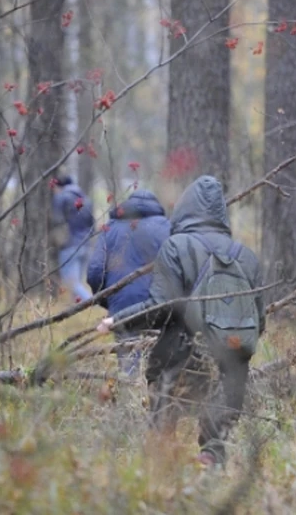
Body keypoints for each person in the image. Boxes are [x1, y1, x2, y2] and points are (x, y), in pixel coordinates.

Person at [97, 175, 264, 468]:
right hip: (232, 365)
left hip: (181, 359)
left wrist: (117, 320)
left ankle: (162, 491)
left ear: (186, 208)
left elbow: (161, 307)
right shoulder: (246, 256)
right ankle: (210, 472)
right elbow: (258, 321)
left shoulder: (176, 247)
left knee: (161, 437)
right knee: (214, 444)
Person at [86, 189, 171, 376]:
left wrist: (109, 301)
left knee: (129, 367)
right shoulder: (167, 227)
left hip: (122, 307)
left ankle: (130, 401)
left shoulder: (111, 228)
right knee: (158, 364)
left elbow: (94, 272)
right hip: (158, 306)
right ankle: (156, 401)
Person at [51, 175, 95, 302]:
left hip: (69, 245)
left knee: (71, 283)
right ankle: (78, 313)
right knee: (77, 284)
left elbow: (57, 220)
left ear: (59, 186)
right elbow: (92, 223)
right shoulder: (85, 199)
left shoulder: (61, 197)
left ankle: (92, 302)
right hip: (86, 245)